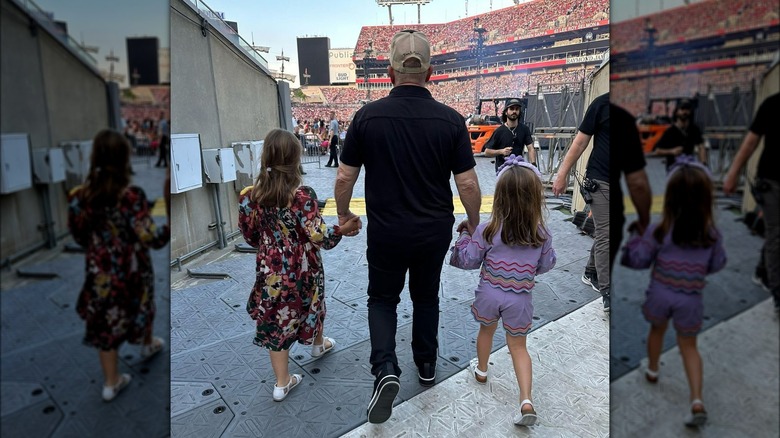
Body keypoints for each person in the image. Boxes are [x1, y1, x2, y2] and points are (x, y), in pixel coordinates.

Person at [335, 29, 482, 424]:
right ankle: (427, 363)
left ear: (389, 71)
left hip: (386, 231)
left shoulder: (366, 117)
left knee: (382, 299)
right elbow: (467, 182)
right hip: (433, 230)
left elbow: (344, 177)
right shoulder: (451, 121)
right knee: (426, 297)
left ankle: (385, 368)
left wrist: (344, 215)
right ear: (431, 73)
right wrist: (473, 220)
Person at [238, 129, 361, 402]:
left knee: (276, 319)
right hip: (304, 266)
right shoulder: (302, 196)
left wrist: (272, 245)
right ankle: (318, 343)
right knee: (312, 302)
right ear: (295, 159)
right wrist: (342, 228)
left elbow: (250, 236)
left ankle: (282, 383)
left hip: (270, 269)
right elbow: (321, 237)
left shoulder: (250, 196)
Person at [449, 155, 556, 427]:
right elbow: (546, 264)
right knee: (519, 347)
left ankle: (482, 371)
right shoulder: (541, 233)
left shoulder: (487, 230)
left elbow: (468, 260)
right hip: (520, 300)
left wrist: (464, 235)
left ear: (498, 197)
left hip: (489, 294)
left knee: (486, 331)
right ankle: (526, 400)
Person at [621, 157, 727, 428]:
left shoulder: (660, 230)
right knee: (689, 346)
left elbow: (639, 260)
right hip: (691, 299)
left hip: (660, 294)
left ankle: (653, 370)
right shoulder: (711, 234)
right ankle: (696, 401)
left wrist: (634, 239)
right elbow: (718, 264)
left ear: (669, 198)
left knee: (657, 331)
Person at [67, 129, 170, 402]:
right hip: (134, 269)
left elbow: (78, 236)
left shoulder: (79, 197)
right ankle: (147, 343)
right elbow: (152, 237)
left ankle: (111, 382)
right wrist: (168, 218)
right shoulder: (131, 197)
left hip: (100, 271)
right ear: (125, 159)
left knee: (105, 321)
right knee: (143, 304)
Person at [552, 92, 611, 312]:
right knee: (607, 233)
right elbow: (580, 141)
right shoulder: (602, 104)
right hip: (600, 179)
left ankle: (591, 271)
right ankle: (609, 292)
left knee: (608, 231)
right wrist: (562, 173)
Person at [723, 92, 779, 312]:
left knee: (776, 233)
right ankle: (778, 294)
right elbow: (751, 141)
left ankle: (762, 270)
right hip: (772, 181)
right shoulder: (773, 103)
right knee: (777, 235)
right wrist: (733, 173)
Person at [611, 103, 652, 265]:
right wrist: (644, 220)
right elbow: (638, 184)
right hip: (613, 210)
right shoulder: (623, 118)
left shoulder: (599, 106)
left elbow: (580, 141)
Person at [483, 98, 537, 172]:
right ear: (506, 112)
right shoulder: (499, 131)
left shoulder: (524, 129)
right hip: (503, 171)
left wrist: (533, 165)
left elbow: (531, 148)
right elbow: (487, 152)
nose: (514, 111)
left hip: (518, 170)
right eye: (511, 109)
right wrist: (501, 151)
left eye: (517, 109)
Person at [653, 99, 707, 171]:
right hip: (674, 168)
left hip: (689, 166)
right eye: (682, 109)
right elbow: (657, 151)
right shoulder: (670, 131)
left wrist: (703, 165)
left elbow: (701, 147)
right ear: (676, 112)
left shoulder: (694, 129)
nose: (685, 112)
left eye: (687, 109)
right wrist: (672, 151)